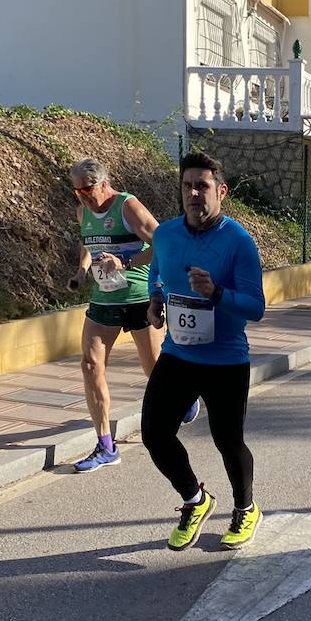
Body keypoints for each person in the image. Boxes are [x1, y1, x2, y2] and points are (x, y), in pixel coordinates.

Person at [142, 152, 266, 552]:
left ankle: (245, 507)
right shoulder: (166, 234)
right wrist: (155, 299)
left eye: (203, 186)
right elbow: (157, 272)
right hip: (179, 353)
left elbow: (257, 307)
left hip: (226, 358)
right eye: (187, 186)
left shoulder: (238, 242)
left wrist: (216, 293)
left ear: (221, 191)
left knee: (228, 442)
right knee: (154, 433)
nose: (194, 193)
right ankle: (195, 499)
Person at [66, 159, 197, 474]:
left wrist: (125, 262)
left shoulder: (127, 207)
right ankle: (106, 446)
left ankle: (183, 397)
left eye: (86, 189)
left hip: (139, 298)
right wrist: (81, 272)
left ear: (103, 184)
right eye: (76, 191)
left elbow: (162, 244)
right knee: (89, 364)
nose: (81, 196)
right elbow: (88, 242)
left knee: (154, 369)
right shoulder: (84, 210)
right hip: (103, 300)